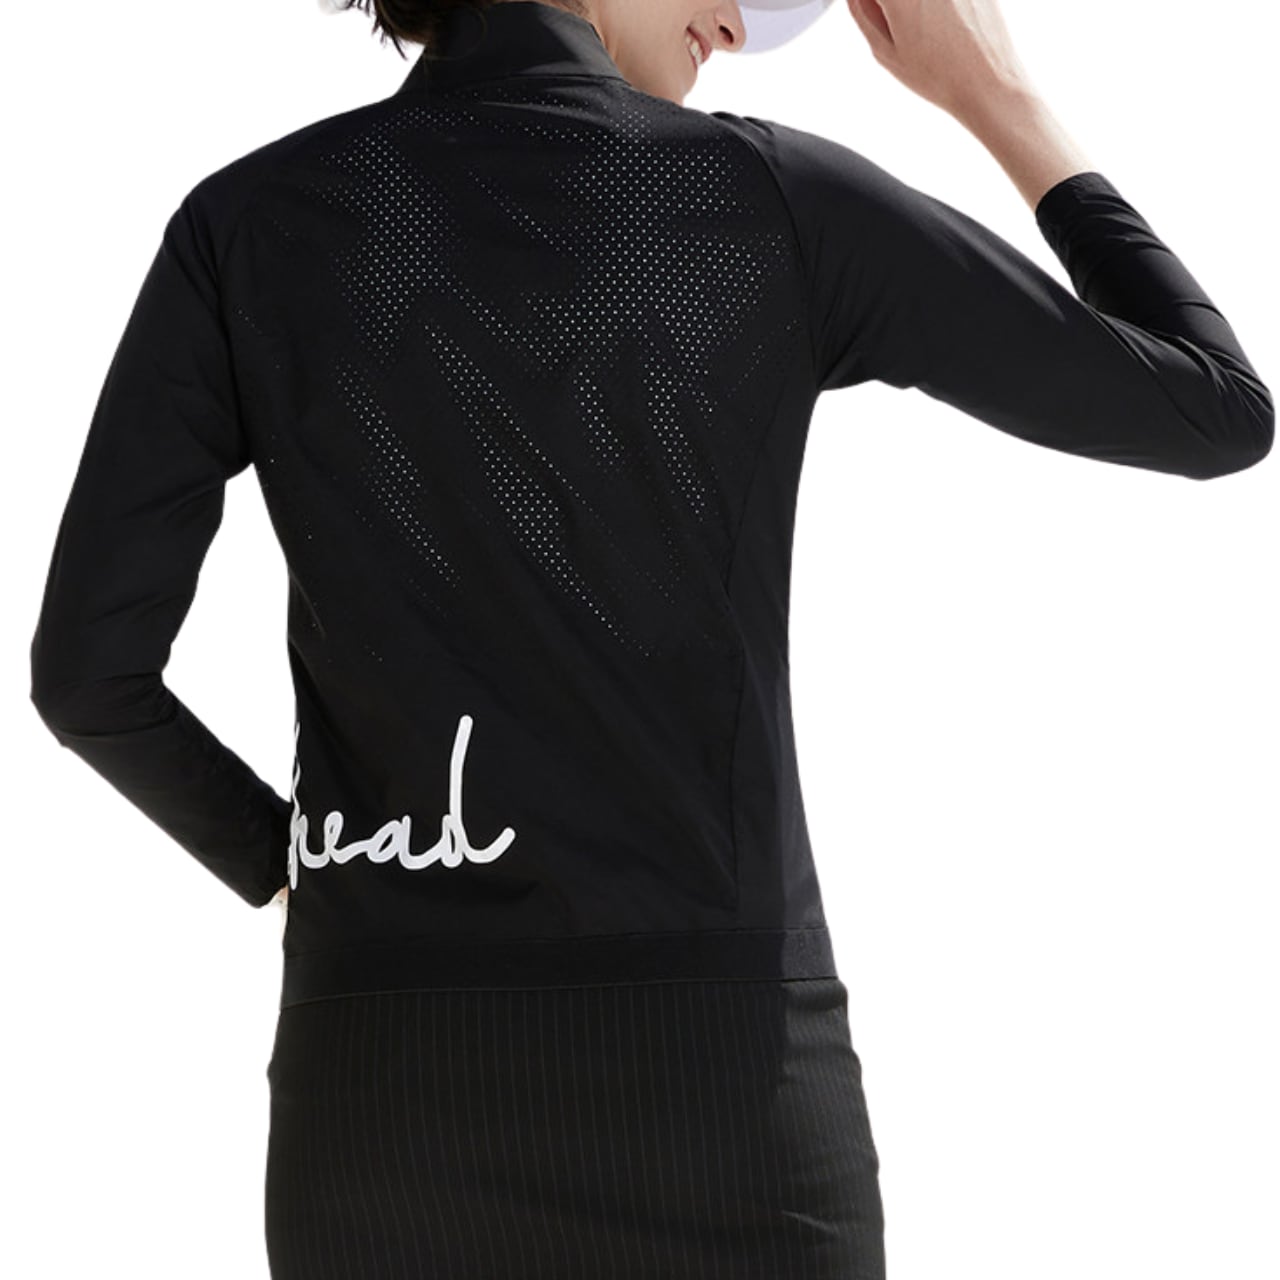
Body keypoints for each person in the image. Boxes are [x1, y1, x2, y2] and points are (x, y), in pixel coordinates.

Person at [27, 1, 1272, 1277]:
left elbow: (90, 677)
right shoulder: (768, 203)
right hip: (725, 1094)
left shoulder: (248, 226)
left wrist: (289, 866)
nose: (730, 24)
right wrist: (994, 97)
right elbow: (1212, 408)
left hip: (384, 1092)